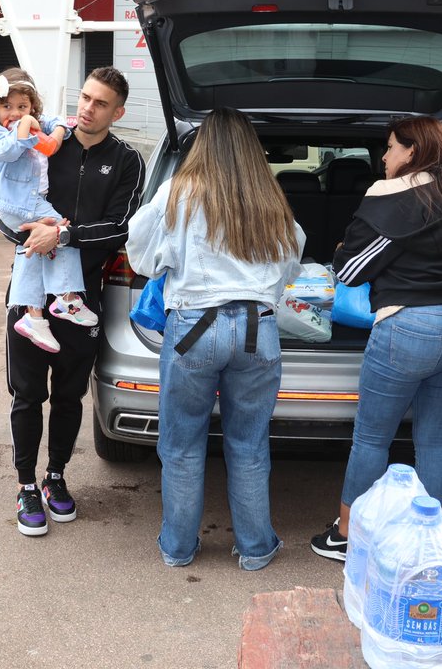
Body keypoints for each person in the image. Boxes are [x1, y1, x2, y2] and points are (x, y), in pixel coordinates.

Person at [126, 107, 304, 571]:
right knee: (248, 444)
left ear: (202, 146)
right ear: (251, 150)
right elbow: (292, 263)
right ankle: (255, 548)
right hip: (257, 329)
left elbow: (141, 255)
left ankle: (179, 548)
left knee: (182, 445)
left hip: (193, 329)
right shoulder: (269, 197)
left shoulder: (176, 192)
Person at [309, 116, 442, 562]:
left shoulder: (393, 196)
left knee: (372, 438)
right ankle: (426, 533)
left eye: (390, 148)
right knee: (437, 438)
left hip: (408, 327)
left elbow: (351, 270)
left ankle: (347, 534)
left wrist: (342, 252)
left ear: (412, 152)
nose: (384, 158)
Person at [0, 67, 144, 537]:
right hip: (31, 294)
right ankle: (25, 485)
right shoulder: (45, 142)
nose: (86, 108)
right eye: (84, 97)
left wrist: (64, 234)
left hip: (82, 297)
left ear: (116, 112)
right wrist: (28, 234)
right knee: (27, 395)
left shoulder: (127, 161)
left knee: (69, 396)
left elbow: (123, 228)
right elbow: (4, 205)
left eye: (99, 103)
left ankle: (55, 476)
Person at [0, 67, 98, 353]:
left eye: (22, 106)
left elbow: (58, 122)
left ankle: (34, 315)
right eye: (6, 106)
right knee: (62, 233)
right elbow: (9, 151)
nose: (14, 112)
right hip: (19, 205)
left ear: (33, 106)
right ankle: (67, 297)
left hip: (31, 203)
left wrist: (56, 133)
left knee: (33, 251)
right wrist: (25, 125)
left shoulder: (37, 122)